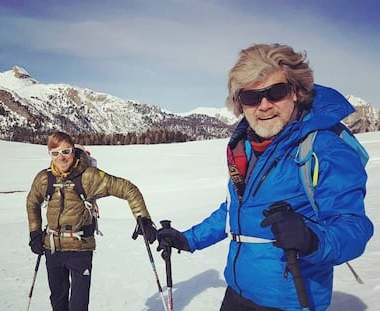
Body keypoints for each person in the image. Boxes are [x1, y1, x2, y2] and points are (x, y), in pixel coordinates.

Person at [156, 43, 373, 311]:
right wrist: (189, 239)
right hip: (237, 292)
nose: (264, 105)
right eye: (251, 97)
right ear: (239, 104)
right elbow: (236, 209)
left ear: (295, 92)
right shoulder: (246, 146)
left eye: (276, 92)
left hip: (289, 301)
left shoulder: (324, 147)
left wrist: (310, 238)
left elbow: (353, 227)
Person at [26, 131, 157, 311]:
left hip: (80, 249)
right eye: (55, 153)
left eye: (66, 152)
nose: (61, 157)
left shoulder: (89, 176)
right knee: (58, 301)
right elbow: (32, 202)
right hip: (52, 248)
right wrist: (35, 233)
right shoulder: (44, 178)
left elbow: (128, 189)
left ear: (73, 151)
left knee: (78, 306)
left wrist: (143, 218)